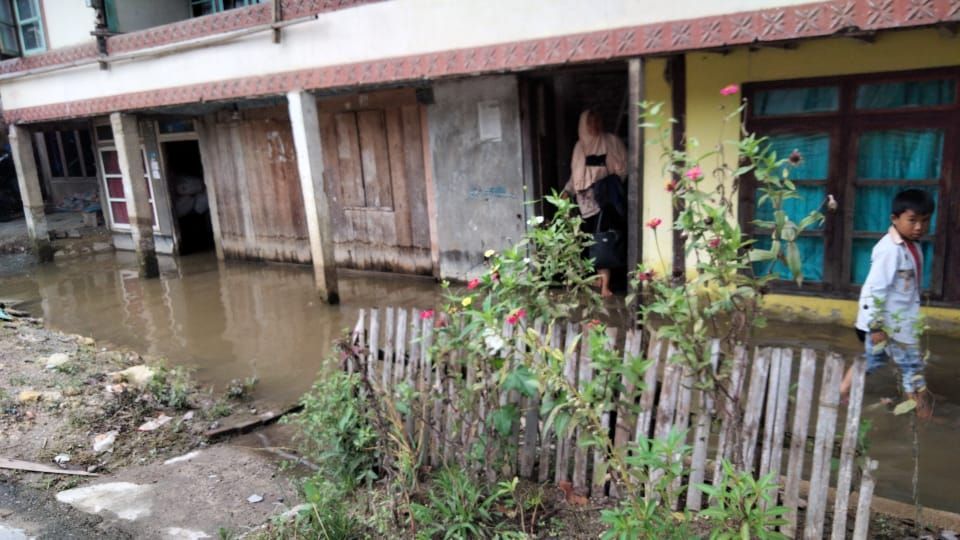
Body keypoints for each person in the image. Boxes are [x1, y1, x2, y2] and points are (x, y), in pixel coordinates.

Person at [841, 189, 935, 418]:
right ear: (895, 219)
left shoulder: (912, 244)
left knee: (874, 360)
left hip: (899, 321)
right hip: (887, 325)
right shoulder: (890, 249)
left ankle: (841, 390)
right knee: (912, 368)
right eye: (912, 221)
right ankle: (923, 417)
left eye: (924, 221)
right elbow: (875, 289)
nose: (919, 227)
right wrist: (876, 326)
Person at [562, 109, 627, 297]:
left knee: (603, 239)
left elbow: (623, 168)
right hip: (584, 204)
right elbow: (576, 176)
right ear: (583, 124)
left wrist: (603, 181)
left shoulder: (611, 142)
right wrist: (567, 191)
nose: (594, 125)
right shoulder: (579, 147)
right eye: (590, 122)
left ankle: (606, 285)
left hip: (605, 200)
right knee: (591, 240)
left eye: (597, 120)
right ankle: (600, 279)